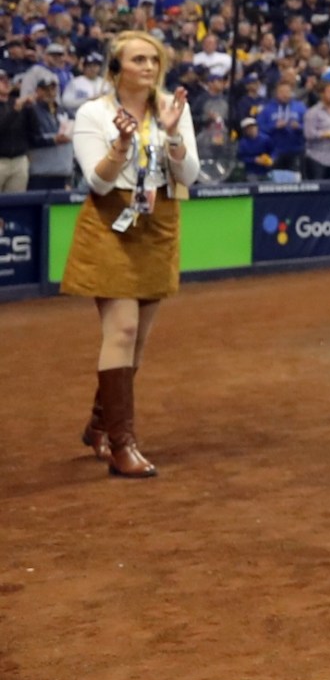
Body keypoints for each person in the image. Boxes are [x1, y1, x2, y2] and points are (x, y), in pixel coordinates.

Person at [62, 30, 196, 479]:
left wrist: (174, 134)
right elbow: (97, 183)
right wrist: (121, 147)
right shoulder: (93, 113)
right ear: (116, 68)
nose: (149, 67)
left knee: (136, 341)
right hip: (110, 223)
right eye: (139, 60)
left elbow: (188, 173)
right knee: (121, 328)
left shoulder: (172, 108)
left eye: (154, 60)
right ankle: (123, 445)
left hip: (159, 223)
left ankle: (99, 425)